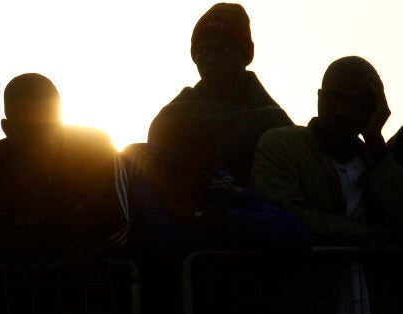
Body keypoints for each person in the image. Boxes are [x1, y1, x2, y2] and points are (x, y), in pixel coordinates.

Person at [0, 73, 129, 266]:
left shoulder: (97, 150)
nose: (43, 139)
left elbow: (118, 228)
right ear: (7, 128)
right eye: (30, 130)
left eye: (50, 127)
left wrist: (39, 243)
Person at [251, 56, 403, 247]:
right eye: (332, 98)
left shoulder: (373, 160)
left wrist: (375, 140)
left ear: (372, 108)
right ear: (319, 96)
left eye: (353, 103)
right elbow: (288, 218)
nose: (340, 111)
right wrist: (377, 234)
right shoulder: (280, 145)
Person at [124, 112, 309, 259]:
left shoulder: (219, 185)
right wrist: (232, 234)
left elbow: (293, 231)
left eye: (199, 172)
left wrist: (205, 215)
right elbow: (169, 241)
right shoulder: (137, 183)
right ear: (160, 162)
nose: (190, 182)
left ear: (214, 162)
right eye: (178, 171)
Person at [148, 2, 293, 186]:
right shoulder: (170, 118)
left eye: (224, 49)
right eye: (203, 51)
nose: (212, 59)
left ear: (245, 55)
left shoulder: (274, 125)